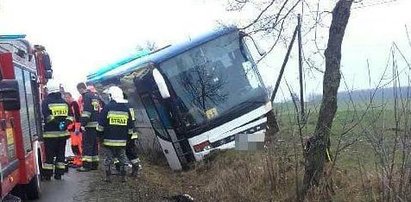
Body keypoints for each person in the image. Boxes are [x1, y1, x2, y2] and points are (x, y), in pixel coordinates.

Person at [96, 86, 135, 183]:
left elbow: (100, 125)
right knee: (123, 158)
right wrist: (128, 138)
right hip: (122, 141)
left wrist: (99, 136)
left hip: (108, 141)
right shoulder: (126, 109)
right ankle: (123, 177)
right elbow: (130, 126)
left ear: (111, 96)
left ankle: (108, 178)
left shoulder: (107, 108)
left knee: (108, 159)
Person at [41, 80, 74, 180]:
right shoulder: (64, 103)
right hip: (62, 134)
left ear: (49, 90)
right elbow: (71, 117)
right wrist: (64, 124)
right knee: (61, 154)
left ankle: (48, 175)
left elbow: (47, 116)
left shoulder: (46, 102)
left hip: (50, 135)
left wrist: (57, 123)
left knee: (49, 155)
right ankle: (59, 174)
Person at [76, 82, 102, 172]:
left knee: (87, 145)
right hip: (96, 124)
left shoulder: (86, 96)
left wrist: (82, 124)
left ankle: (86, 166)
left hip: (89, 125)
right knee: (94, 145)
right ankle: (94, 164)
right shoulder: (95, 96)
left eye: (78, 91)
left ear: (80, 89)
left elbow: (86, 112)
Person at [64, 92, 83, 168]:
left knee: (78, 146)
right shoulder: (69, 105)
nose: (66, 99)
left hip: (76, 129)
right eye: (65, 98)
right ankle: (76, 160)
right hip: (72, 129)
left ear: (70, 97)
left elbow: (77, 116)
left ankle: (80, 161)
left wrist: (77, 128)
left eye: (67, 97)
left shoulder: (74, 104)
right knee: (73, 146)